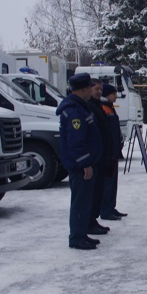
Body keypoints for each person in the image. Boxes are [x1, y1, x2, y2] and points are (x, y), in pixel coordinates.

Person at [57, 73, 103, 250]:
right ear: (83, 89)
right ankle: (77, 237)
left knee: (85, 201)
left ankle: (82, 233)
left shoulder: (80, 107)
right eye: (89, 88)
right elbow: (76, 142)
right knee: (80, 202)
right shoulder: (76, 111)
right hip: (80, 167)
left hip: (83, 164)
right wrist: (85, 163)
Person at [86, 79, 112, 236]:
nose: (99, 92)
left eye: (101, 89)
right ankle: (89, 222)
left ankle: (93, 220)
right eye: (96, 89)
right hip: (96, 157)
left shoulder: (98, 106)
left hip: (102, 156)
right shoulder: (90, 107)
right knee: (93, 193)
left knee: (98, 191)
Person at [99, 83, 126, 221]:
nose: (116, 96)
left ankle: (111, 207)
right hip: (108, 153)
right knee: (107, 183)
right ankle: (105, 209)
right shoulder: (104, 108)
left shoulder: (109, 108)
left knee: (112, 182)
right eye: (114, 94)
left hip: (113, 152)